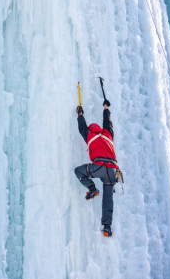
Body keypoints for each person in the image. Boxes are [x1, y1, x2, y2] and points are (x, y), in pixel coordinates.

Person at [74, 100, 118, 237]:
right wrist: (106, 107)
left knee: (79, 171)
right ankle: (107, 226)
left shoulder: (90, 136)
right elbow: (107, 122)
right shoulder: (108, 135)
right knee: (108, 198)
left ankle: (92, 189)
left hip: (99, 166)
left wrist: (80, 113)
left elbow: (82, 128)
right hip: (112, 171)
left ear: (92, 129)